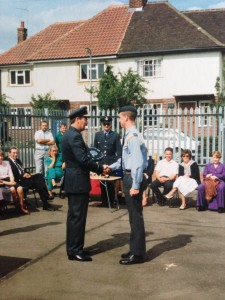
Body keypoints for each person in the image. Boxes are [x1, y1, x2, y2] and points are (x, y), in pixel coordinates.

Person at [61, 106, 109, 262]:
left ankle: (75, 248)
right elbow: (83, 159)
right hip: (77, 181)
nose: (86, 122)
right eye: (85, 119)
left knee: (75, 217)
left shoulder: (70, 134)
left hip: (74, 180)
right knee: (77, 217)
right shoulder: (74, 136)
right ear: (78, 119)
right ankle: (75, 250)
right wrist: (100, 168)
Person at [109, 105, 148, 265]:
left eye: (119, 117)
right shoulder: (130, 135)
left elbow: (137, 163)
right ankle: (134, 249)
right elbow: (127, 160)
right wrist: (110, 167)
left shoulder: (132, 137)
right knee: (133, 217)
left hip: (133, 178)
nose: (118, 120)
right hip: (129, 176)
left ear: (125, 117)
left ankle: (138, 254)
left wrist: (136, 185)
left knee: (136, 217)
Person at [5, 146, 54, 211]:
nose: (16, 154)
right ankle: (46, 201)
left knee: (39, 176)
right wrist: (23, 175)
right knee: (39, 183)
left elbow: (23, 170)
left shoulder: (18, 160)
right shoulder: (7, 162)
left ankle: (46, 201)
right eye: (14, 153)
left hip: (25, 178)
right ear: (9, 153)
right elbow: (11, 175)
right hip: (18, 181)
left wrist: (27, 173)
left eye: (17, 153)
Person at [94, 116, 122, 208]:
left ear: (110, 124)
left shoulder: (115, 135)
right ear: (102, 125)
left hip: (111, 163)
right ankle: (104, 202)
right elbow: (95, 150)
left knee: (111, 183)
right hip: (102, 162)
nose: (106, 126)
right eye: (104, 124)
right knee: (102, 182)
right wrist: (97, 163)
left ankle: (111, 201)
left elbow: (118, 151)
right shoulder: (97, 135)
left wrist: (116, 164)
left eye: (108, 124)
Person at [0, 149, 29, 215]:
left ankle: (21, 207)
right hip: (2, 183)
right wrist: (7, 183)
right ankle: (16, 205)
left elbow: (11, 175)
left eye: (2, 156)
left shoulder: (6, 163)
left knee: (20, 188)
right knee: (12, 189)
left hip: (9, 180)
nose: (1, 157)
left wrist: (11, 181)